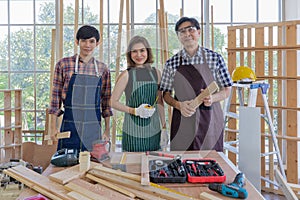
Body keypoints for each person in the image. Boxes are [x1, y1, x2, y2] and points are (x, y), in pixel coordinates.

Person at [159, 17, 233, 151]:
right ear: (179, 37)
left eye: (190, 30)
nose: (187, 34)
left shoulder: (215, 59)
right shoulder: (172, 63)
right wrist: (178, 104)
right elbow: (166, 94)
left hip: (210, 121)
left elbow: (227, 90)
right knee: (181, 164)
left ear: (198, 32)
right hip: (183, 121)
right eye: (182, 32)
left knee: (210, 164)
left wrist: (213, 98)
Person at [48, 25, 113, 152]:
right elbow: (55, 98)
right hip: (69, 125)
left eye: (91, 41)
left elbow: (106, 102)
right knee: (66, 164)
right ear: (77, 42)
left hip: (93, 126)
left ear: (97, 43)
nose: (87, 45)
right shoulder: (64, 64)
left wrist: (107, 130)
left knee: (92, 164)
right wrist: (53, 127)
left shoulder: (102, 69)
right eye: (83, 41)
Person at [111, 35, 166, 152]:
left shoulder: (156, 73)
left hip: (154, 129)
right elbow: (113, 102)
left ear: (148, 52)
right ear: (130, 54)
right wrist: (135, 111)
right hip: (133, 130)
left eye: (142, 50)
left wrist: (164, 127)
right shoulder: (126, 75)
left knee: (153, 165)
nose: (139, 55)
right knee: (132, 167)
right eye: (134, 51)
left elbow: (160, 101)